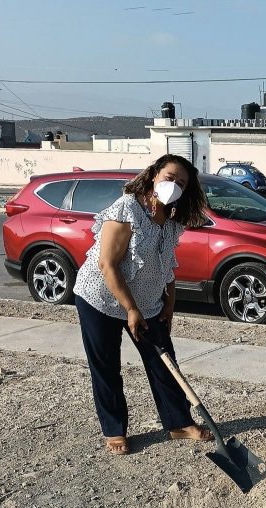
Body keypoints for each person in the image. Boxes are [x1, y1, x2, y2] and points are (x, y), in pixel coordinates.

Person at [73, 154, 211, 455]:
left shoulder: (173, 219)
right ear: (153, 175)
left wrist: (170, 301)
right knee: (107, 365)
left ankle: (178, 423)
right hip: (101, 298)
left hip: (148, 303)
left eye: (182, 183)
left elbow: (167, 261)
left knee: (164, 361)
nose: (174, 185)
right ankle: (114, 429)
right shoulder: (127, 208)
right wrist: (131, 310)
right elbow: (107, 264)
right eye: (170, 177)